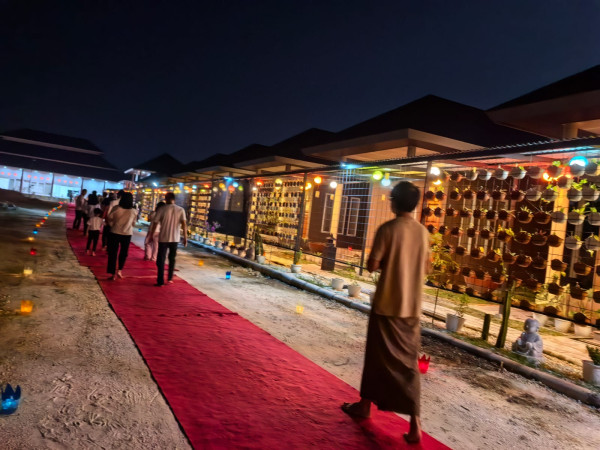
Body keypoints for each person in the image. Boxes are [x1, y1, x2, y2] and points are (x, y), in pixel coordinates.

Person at [341, 181, 430, 444]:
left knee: (376, 358)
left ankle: (365, 406)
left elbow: (372, 265)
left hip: (387, 304)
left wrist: (390, 263)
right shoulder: (423, 232)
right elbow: (426, 267)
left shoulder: (387, 229)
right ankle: (415, 425)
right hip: (411, 307)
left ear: (394, 202)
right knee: (409, 365)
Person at [148, 192, 187, 286]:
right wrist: (185, 237)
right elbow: (184, 225)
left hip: (163, 238)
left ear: (166, 199)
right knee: (172, 259)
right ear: (174, 199)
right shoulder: (181, 210)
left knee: (160, 260)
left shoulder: (162, 209)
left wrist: (151, 235)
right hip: (175, 238)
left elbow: (155, 223)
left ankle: (160, 281)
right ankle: (170, 278)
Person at [106, 192, 137, 280]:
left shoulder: (116, 208)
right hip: (127, 233)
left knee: (113, 253)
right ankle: (120, 270)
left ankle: (112, 273)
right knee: (124, 253)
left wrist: (112, 225)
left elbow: (109, 218)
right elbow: (134, 223)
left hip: (115, 232)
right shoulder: (133, 211)